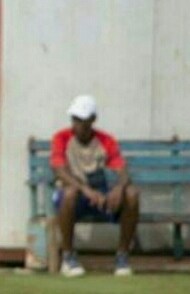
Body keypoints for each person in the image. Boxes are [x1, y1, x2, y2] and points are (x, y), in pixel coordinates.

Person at [50, 94, 140, 277]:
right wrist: (86, 190)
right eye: (75, 119)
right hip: (74, 198)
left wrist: (119, 188)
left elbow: (122, 170)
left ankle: (122, 257)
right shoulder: (61, 138)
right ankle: (68, 257)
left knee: (132, 193)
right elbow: (59, 170)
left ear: (92, 120)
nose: (77, 124)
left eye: (82, 120)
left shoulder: (106, 140)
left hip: (100, 197)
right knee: (69, 192)